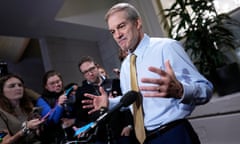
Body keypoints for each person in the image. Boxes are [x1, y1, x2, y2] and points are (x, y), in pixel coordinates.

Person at [81, 3, 213, 144]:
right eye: (112, 31)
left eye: (121, 26)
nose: (118, 35)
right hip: (146, 139)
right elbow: (132, 99)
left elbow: (206, 89)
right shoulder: (126, 65)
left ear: (137, 23)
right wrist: (110, 103)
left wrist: (181, 90)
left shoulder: (166, 47)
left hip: (174, 134)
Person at [73, 56, 134, 144]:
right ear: (83, 75)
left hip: (122, 131)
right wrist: (82, 128)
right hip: (100, 136)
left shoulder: (115, 83)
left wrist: (129, 125)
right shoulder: (81, 92)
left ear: (97, 67)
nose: (90, 73)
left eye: (92, 69)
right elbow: (81, 116)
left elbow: (129, 105)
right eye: (86, 72)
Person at [0, 74, 45, 144]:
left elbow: (35, 136)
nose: (18, 88)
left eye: (20, 85)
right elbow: (4, 142)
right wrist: (25, 129)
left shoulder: (27, 107)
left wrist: (38, 127)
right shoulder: (1, 112)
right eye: (12, 86)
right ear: (2, 91)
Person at [35, 70, 69, 144]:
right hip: (54, 139)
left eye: (58, 81)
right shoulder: (41, 100)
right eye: (52, 83)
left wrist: (73, 120)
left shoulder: (68, 94)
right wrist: (59, 104)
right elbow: (51, 121)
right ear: (46, 87)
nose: (57, 85)